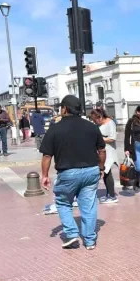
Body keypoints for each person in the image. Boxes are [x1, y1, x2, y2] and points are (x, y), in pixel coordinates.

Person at [40, 95, 106, 251]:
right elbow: (102, 150)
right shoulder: (91, 126)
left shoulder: (55, 128)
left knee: (63, 202)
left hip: (68, 172)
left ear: (65, 108)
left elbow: (47, 155)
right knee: (89, 206)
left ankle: (71, 234)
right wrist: (101, 168)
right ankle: (90, 241)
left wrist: (45, 175)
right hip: (91, 171)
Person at [90, 109, 119, 204]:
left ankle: (112, 195)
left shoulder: (110, 123)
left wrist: (100, 139)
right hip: (101, 151)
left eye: (94, 119)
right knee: (105, 173)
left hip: (109, 151)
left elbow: (112, 138)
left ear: (100, 117)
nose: (94, 121)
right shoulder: (99, 125)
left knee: (107, 172)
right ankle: (108, 193)